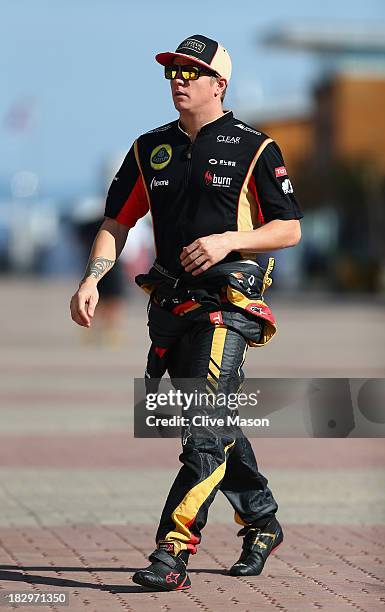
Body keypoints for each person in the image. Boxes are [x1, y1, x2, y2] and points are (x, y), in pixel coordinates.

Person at [70, 34, 303, 592]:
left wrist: (228, 241)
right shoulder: (149, 148)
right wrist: (92, 279)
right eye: (172, 70)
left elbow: (290, 227)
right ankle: (263, 522)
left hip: (229, 306)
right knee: (215, 425)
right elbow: (116, 223)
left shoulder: (256, 147)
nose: (178, 79)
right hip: (170, 307)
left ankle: (172, 552)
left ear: (219, 85)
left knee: (202, 431)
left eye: (190, 72)